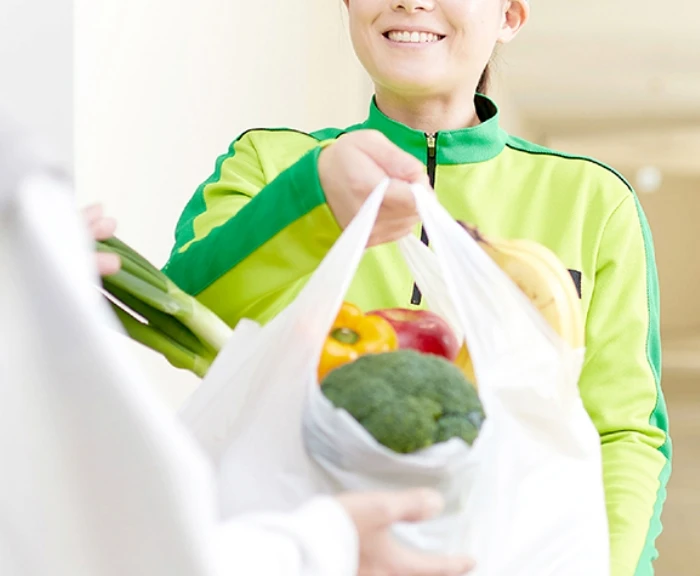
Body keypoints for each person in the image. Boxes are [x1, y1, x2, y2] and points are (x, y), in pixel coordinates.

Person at [162, 1, 671, 574]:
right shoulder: (270, 165)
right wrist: (314, 202)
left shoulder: (591, 202)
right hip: (298, 552)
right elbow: (185, 314)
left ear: (509, 16)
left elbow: (623, 433)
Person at [83, 203, 474, 576]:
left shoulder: (525, 179)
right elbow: (193, 285)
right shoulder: (260, 161)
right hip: (288, 502)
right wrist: (315, 200)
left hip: (419, 527)